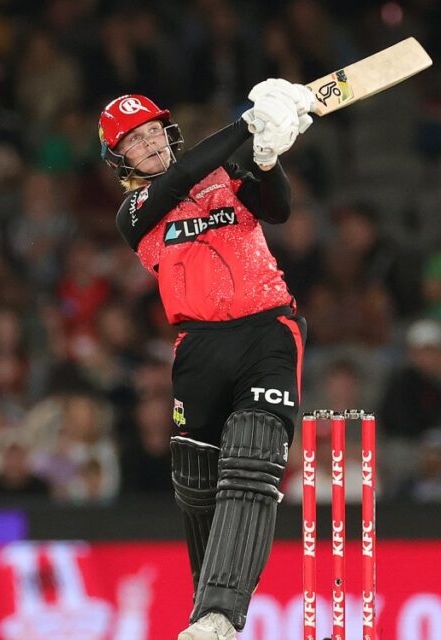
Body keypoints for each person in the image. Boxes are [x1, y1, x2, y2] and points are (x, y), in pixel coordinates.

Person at [99, 80, 312, 640]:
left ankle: (219, 614)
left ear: (168, 132)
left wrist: (266, 160)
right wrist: (248, 124)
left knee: (253, 458)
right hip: (198, 345)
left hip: (267, 330)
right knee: (196, 482)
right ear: (119, 159)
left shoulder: (224, 175)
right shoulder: (134, 212)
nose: (148, 144)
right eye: (133, 141)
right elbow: (177, 180)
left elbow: (278, 209)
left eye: (152, 132)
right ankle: (207, 615)